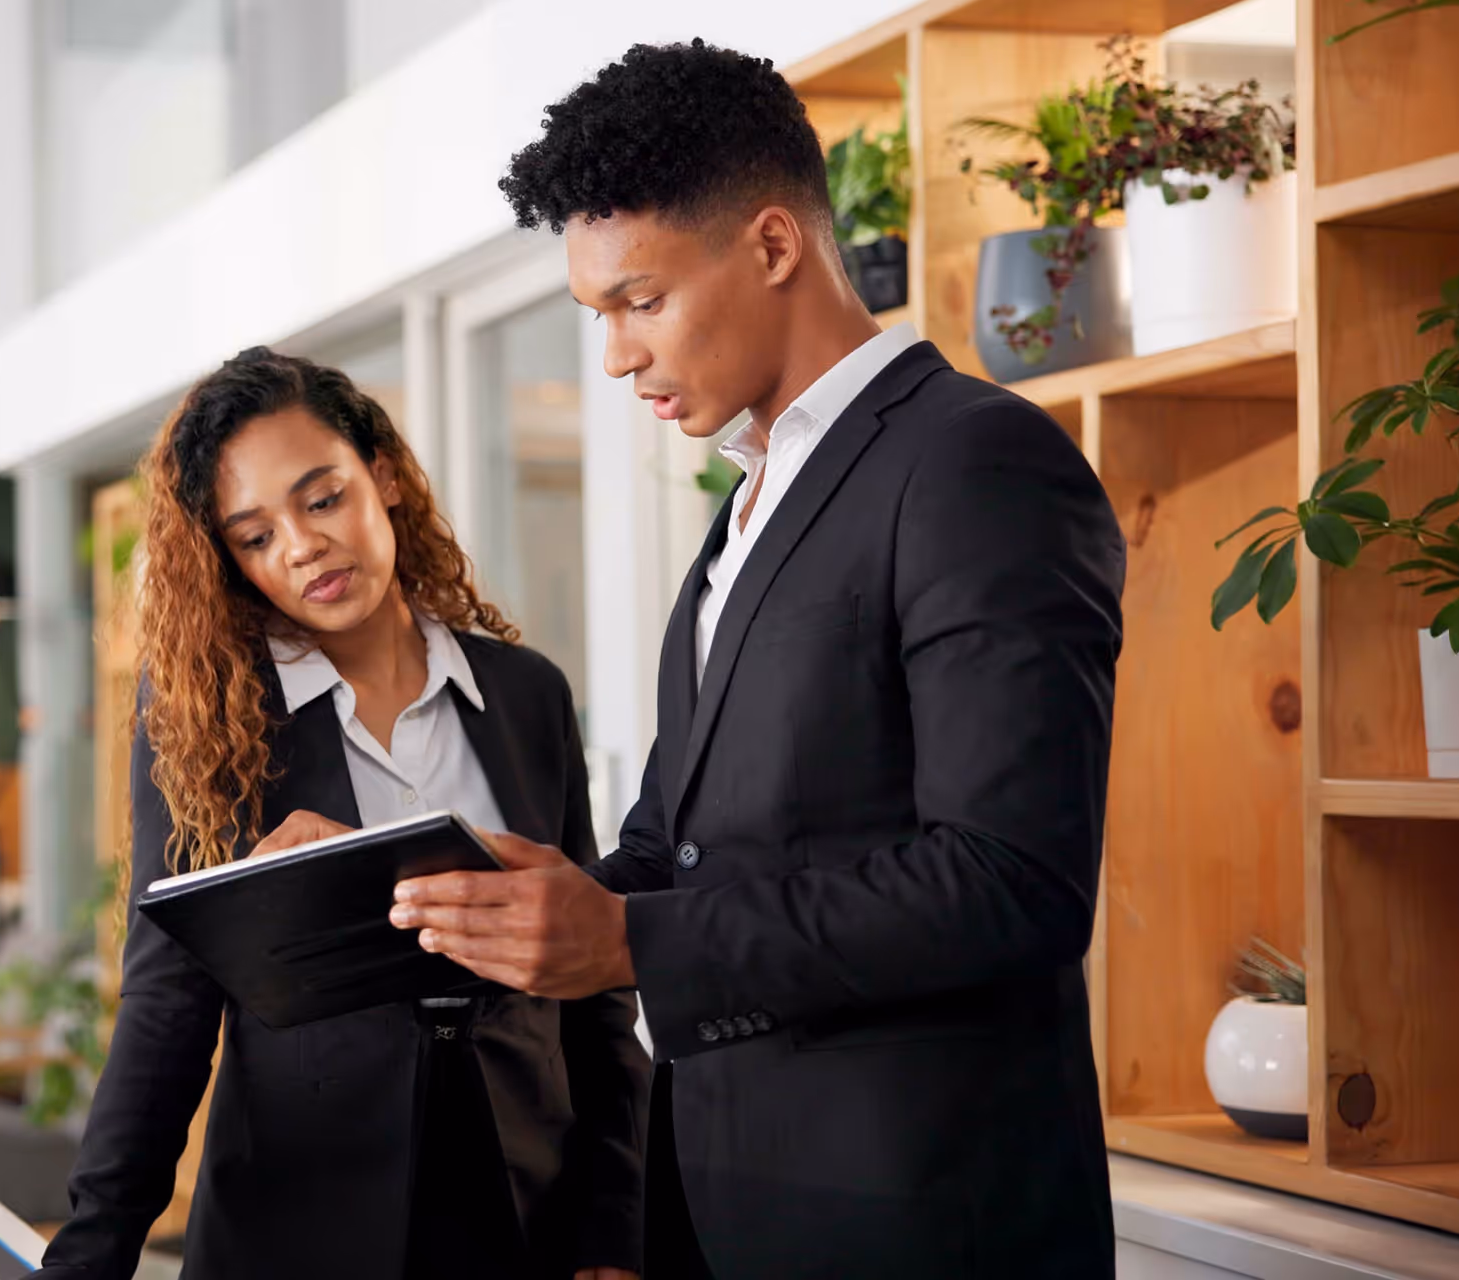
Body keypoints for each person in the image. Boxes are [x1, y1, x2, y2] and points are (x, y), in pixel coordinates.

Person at [386, 40, 1126, 1279]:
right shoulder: (745, 509)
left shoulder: (974, 462)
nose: (617, 354)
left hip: (920, 1218)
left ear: (774, 245)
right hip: (729, 1204)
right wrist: (495, 900)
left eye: (641, 300)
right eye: (599, 314)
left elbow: (1013, 881)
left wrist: (630, 943)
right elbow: (683, 841)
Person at [34, 349, 650, 1280]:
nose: (301, 547)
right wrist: (91, 1256)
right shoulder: (208, 726)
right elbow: (168, 1001)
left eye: (322, 499)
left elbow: (593, 976)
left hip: (524, 1202)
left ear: (386, 476)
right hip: (302, 1216)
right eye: (254, 536)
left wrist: (613, 1221)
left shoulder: (525, 696)